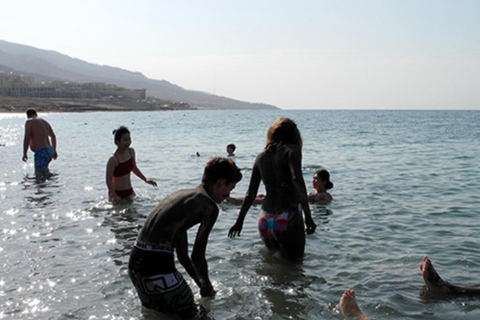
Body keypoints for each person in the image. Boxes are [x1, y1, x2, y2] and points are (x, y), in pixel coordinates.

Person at [128, 157, 242, 318]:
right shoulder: (209, 207)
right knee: (199, 316)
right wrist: (208, 288)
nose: (227, 195)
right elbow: (197, 257)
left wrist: (199, 284)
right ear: (222, 182)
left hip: (135, 265)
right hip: (157, 267)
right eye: (230, 189)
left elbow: (183, 256)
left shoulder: (183, 196)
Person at [228, 118, 317, 260]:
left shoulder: (261, 157)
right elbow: (297, 181)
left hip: (266, 219)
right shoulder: (292, 150)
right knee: (294, 267)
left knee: (271, 263)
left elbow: (251, 193)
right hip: (288, 216)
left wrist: (239, 221)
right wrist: (308, 216)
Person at [106, 126, 157, 204]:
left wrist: (145, 179)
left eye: (129, 139)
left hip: (129, 192)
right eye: (125, 140)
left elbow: (134, 168)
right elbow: (108, 179)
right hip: (117, 194)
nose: (128, 142)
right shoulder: (113, 159)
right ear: (117, 142)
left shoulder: (131, 152)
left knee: (135, 215)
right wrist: (114, 195)